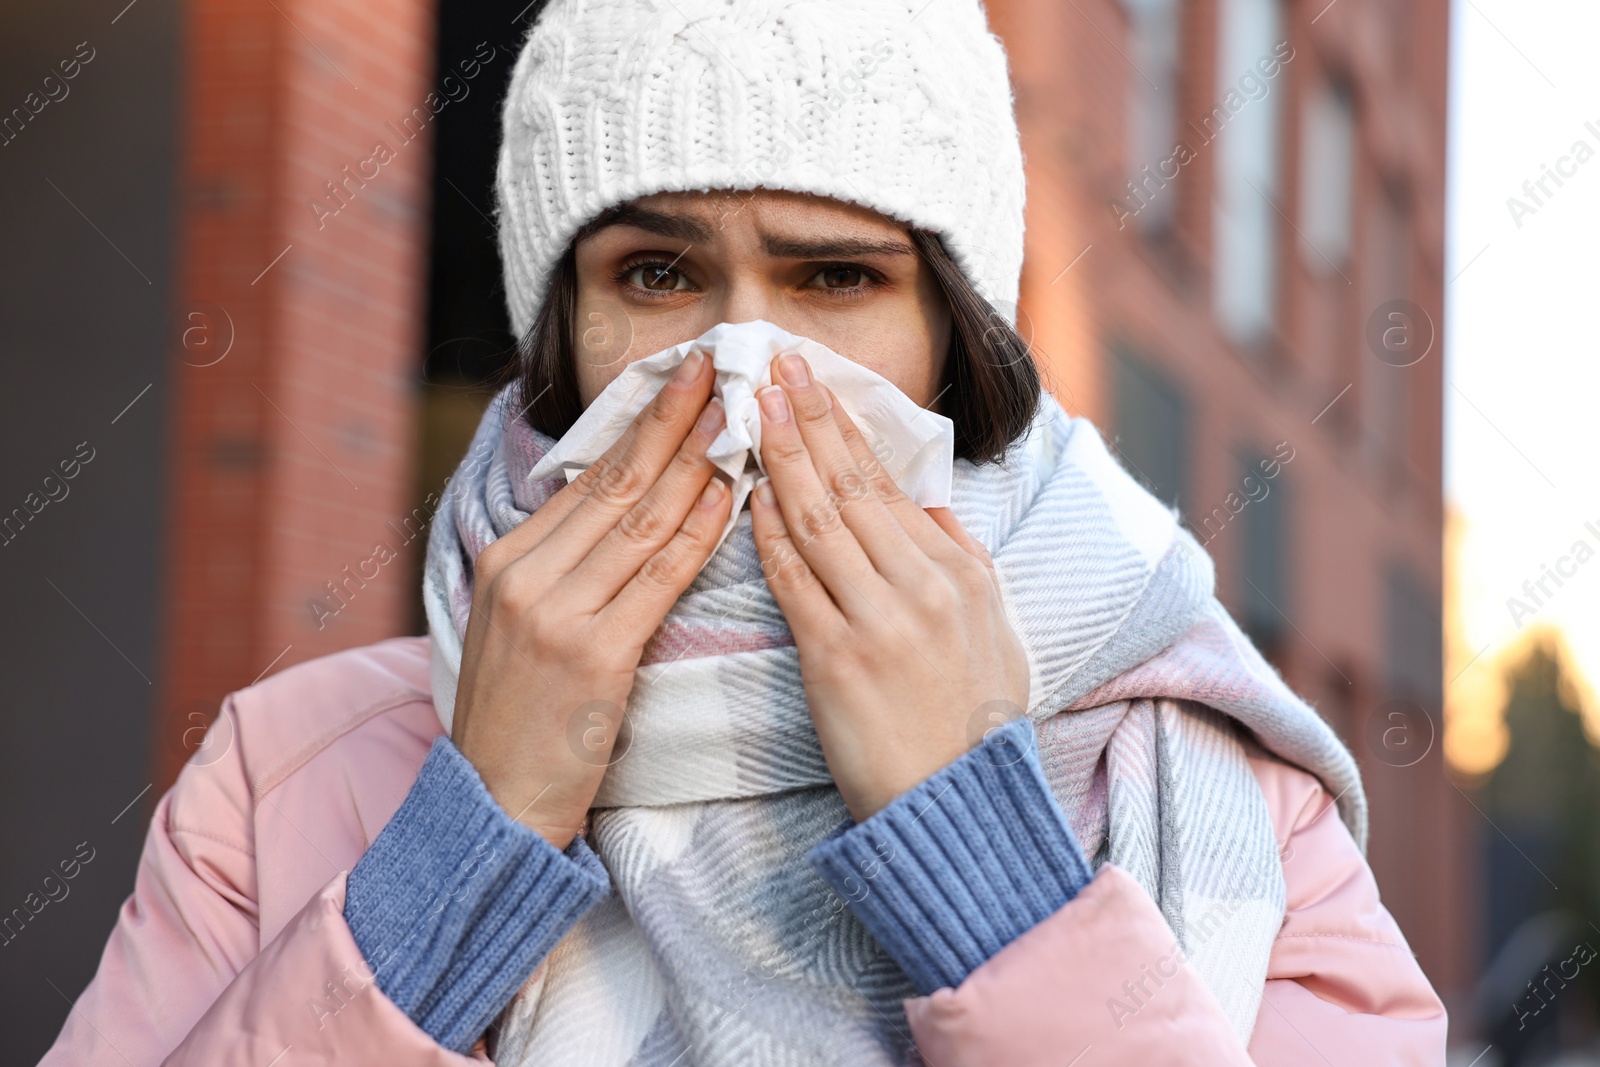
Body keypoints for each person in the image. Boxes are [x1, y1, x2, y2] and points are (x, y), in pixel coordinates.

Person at [40, 0, 1448, 1063]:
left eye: (836, 275)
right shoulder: (288, 775)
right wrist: (460, 856)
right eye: (656, 272)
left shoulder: (1226, 785)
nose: (740, 373)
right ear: (562, 340)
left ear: (955, 345)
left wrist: (985, 859)